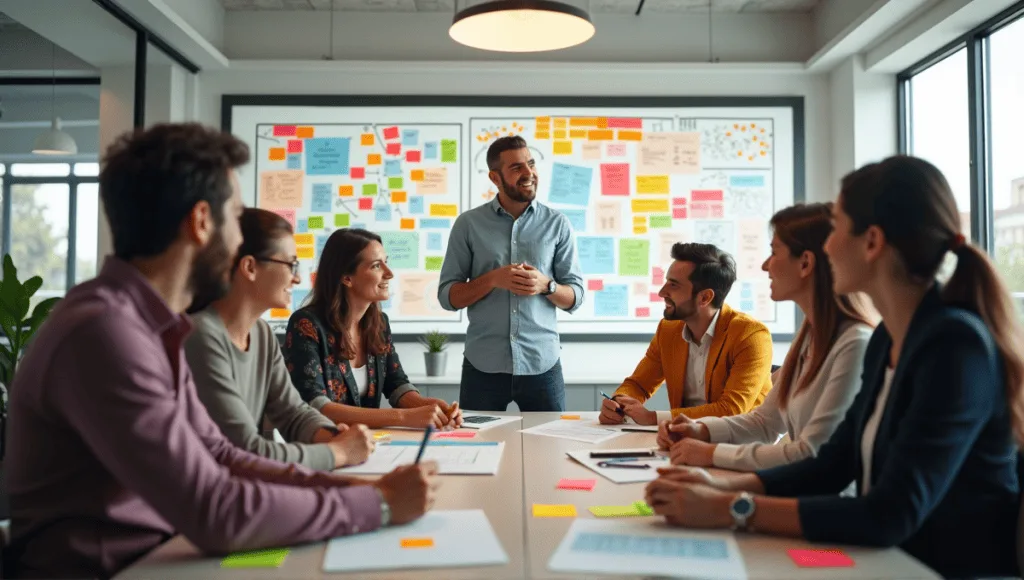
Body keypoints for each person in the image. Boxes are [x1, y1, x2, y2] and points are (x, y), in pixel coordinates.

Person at [1, 123, 439, 579]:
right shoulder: (106, 333)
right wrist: (379, 504)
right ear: (202, 221)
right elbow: (215, 509)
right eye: (235, 216)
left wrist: (347, 485)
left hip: (160, 553)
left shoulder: (150, 326)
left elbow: (221, 456)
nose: (239, 239)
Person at [644, 156, 1024, 579]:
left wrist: (731, 508)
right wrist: (722, 486)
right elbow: (834, 464)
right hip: (890, 561)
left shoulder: (955, 346)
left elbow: (889, 514)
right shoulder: (889, 339)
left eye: (838, 227)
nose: (827, 246)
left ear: (872, 242)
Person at [659, 203, 875, 471]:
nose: (764, 265)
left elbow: (811, 453)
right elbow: (765, 423)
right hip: (795, 491)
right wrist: (700, 429)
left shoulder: (855, 344)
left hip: (822, 505)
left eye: (774, 252)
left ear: (805, 263)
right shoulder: (809, 336)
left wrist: (711, 453)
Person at [184, 207, 374, 471]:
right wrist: (337, 453)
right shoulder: (201, 336)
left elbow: (292, 413)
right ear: (250, 267)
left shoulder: (261, 333)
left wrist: (334, 436)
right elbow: (246, 450)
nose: (296, 277)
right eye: (291, 264)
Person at [437, 135, 585, 412]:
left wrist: (546, 286)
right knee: (477, 444)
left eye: (530, 164)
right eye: (517, 168)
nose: (529, 173)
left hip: (542, 364)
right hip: (483, 365)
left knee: (548, 446)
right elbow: (448, 297)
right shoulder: (468, 224)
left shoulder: (558, 224)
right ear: (495, 177)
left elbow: (576, 298)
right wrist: (493, 279)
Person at [283, 228, 463, 430]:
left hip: (370, 444)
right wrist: (404, 417)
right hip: (324, 447)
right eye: (377, 266)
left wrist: (432, 407)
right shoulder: (306, 325)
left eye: (387, 262)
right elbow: (317, 406)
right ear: (346, 278)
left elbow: (396, 385)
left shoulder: (380, 323)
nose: (389, 273)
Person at [599, 243, 773, 425]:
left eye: (673, 285)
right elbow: (639, 384)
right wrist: (618, 402)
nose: (661, 292)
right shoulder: (668, 330)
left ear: (705, 297)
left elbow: (731, 409)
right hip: (685, 438)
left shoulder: (751, 335)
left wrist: (653, 418)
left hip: (741, 442)